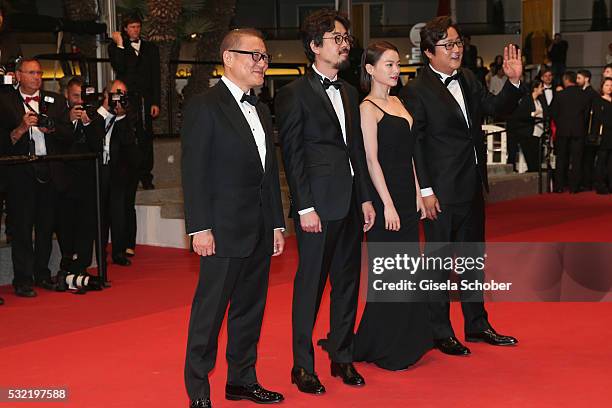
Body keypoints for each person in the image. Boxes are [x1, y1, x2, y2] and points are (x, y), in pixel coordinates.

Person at [400, 16, 519, 356]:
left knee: (472, 260)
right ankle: (439, 330)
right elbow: (415, 144)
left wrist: (512, 83)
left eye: (458, 43)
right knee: (438, 263)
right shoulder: (415, 91)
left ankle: (477, 324)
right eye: (448, 45)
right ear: (428, 52)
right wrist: (425, 190)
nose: (456, 50)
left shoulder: (468, 78)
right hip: (439, 190)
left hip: (471, 185)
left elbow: (495, 108)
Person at [181, 28, 286, 408]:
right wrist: (199, 228)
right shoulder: (204, 105)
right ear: (228, 58)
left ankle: (241, 380)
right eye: (254, 56)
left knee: (249, 309)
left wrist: (276, 222)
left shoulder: (259, 107)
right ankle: (198, 391)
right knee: (209, 314)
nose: (262, 63)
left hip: (258, 228)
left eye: (264, 57)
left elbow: (269, 173)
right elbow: (194, 173)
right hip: (221, 230)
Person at [275, 8, 375, 394]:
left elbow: (356, 152)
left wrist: (365, 199)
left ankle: (342, 356)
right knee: (310, 288)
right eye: (337, 38)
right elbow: (294, 156)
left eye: (346, 38)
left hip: (351, 203)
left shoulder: (351, 92)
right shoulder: (292, 94)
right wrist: (304, 208)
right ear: (315, 46)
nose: (345, 44)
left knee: (348, 284)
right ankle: (302, 366)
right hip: (317, 207)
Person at [352, 40, 433, 370]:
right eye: (388, 64)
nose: (396, 70)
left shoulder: (400, 102)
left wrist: (417, 193)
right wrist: (386, 204)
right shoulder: (367, 108)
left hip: (407, 196)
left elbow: (411, 155)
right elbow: (371, 161)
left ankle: (408, 340)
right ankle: (385, 345)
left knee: (408, 271)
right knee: (389, 274)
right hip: (387, 198)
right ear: (370, 69)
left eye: (397, 64)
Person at [0, 58, 72, 297]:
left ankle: (42, 273)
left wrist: (51, 129)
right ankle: (22, 279)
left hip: (49, 170)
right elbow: (2, 142)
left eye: (39, 73)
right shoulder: (5, 101)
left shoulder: (56, 100)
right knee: (22, 227)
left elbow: (68, 134)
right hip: (20, 172)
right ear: (18, 75)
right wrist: (21, 128)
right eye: (31, 73)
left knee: (45, 226)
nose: (37, 77)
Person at [108, 13, 160, 195]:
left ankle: (146, 176)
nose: (135, 30)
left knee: (146, 136)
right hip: (127, 99)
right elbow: (120, 68)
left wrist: (155, 102)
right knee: (128, 134)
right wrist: (121, 44)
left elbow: (155, 77)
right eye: (131, 27)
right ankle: (130, 174)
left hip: (145, 99)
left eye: (137, 26)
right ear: (125, 29)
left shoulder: (151, 48)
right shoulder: (115, 48)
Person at [90, 79, 137, 267]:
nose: (120, 98)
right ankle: (99, 253)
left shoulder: (128, 116)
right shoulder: (94, 112)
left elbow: (129, 144)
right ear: (106, 94)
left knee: (118, 213)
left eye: (123, 94)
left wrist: (120, 116)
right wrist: (105, 108)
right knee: (99, 214)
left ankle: (118, 252)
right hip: (97, 170)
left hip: (117, 171)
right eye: (116, 93)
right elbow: (92, 133)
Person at [56, 76, 99, 275]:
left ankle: (82, 266)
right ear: (67, 95)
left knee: (86, 227)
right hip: (64, 181)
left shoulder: (94, 115)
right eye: (75, 96)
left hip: (87, 181)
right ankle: (67, 265)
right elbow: (58, 142)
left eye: (82, 96)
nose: (80, 101)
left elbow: (98, 146)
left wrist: (88, 125)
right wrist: (70, 121)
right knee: (65, 227)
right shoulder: (58, 115)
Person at [550, 71, 591, 193]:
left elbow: (553, 113)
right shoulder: (584, 95)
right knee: (577, 160)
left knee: (561, 159)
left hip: (562, 130)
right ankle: (574, 187)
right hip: (578, 131)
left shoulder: (559, 95)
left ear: (566, 80)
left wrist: (560, 124)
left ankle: (559, 186)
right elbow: (586, 114)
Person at [506, 79, 549, 172]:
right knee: (531, 158)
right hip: (528, 133)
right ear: (535, 88)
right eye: (541, 86)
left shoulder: (539, 100)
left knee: (537, 158)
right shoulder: (527, 100)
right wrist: (533, 114)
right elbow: (520, 115)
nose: (543, 88)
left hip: (538, 132)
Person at [577, 69, 600, 190]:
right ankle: (585, 182)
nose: (577, 80)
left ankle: (586, 183)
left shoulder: (590, 93)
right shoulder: (585, 92)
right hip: (584, 131)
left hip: (587, 131)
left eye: (579, 78)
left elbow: (592, 115)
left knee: (587, 159)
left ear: (586, 79)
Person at [592, 77, 612, 194]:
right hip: (604, 135)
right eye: (607, 85)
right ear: (602, 87)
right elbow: (600, 118)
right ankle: (600, 185)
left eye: (611, 85)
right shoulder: (598, 100)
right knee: (602, 161)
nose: (609, 87)